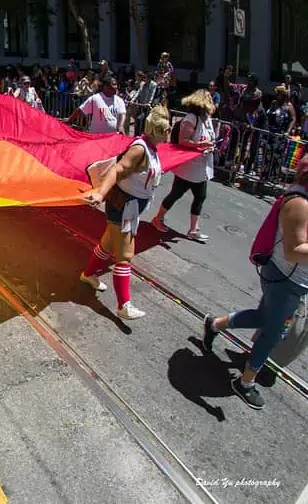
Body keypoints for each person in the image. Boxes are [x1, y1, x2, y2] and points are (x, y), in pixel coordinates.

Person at [203, 159, 308, 409]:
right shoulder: (300, 203)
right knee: (272, 334)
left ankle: (215, 324)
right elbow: (294, 251)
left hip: (289, 279)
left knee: (263, 318)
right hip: (286, 279)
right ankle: (245, 383)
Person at [80, 106, 170, 320]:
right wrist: (101, 194)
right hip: (125, 207)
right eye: (167, 130)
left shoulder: (151, 148)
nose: (169, 134)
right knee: (125, 255)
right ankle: (124, 305)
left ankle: (88, 275)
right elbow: (118, 169)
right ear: (158, 131)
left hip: (130, 207)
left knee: (108, 243)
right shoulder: (140, 149)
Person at [151, 90, 216, 242]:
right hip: (188, 168)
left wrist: (210, 145)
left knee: (200, 196)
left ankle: (194, 230)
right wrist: (202, 144)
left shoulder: (207, 119)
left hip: (200, 167)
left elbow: (209, 138)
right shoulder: (191, 119)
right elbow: (183, 141)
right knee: (176, 194)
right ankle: (158, 218)